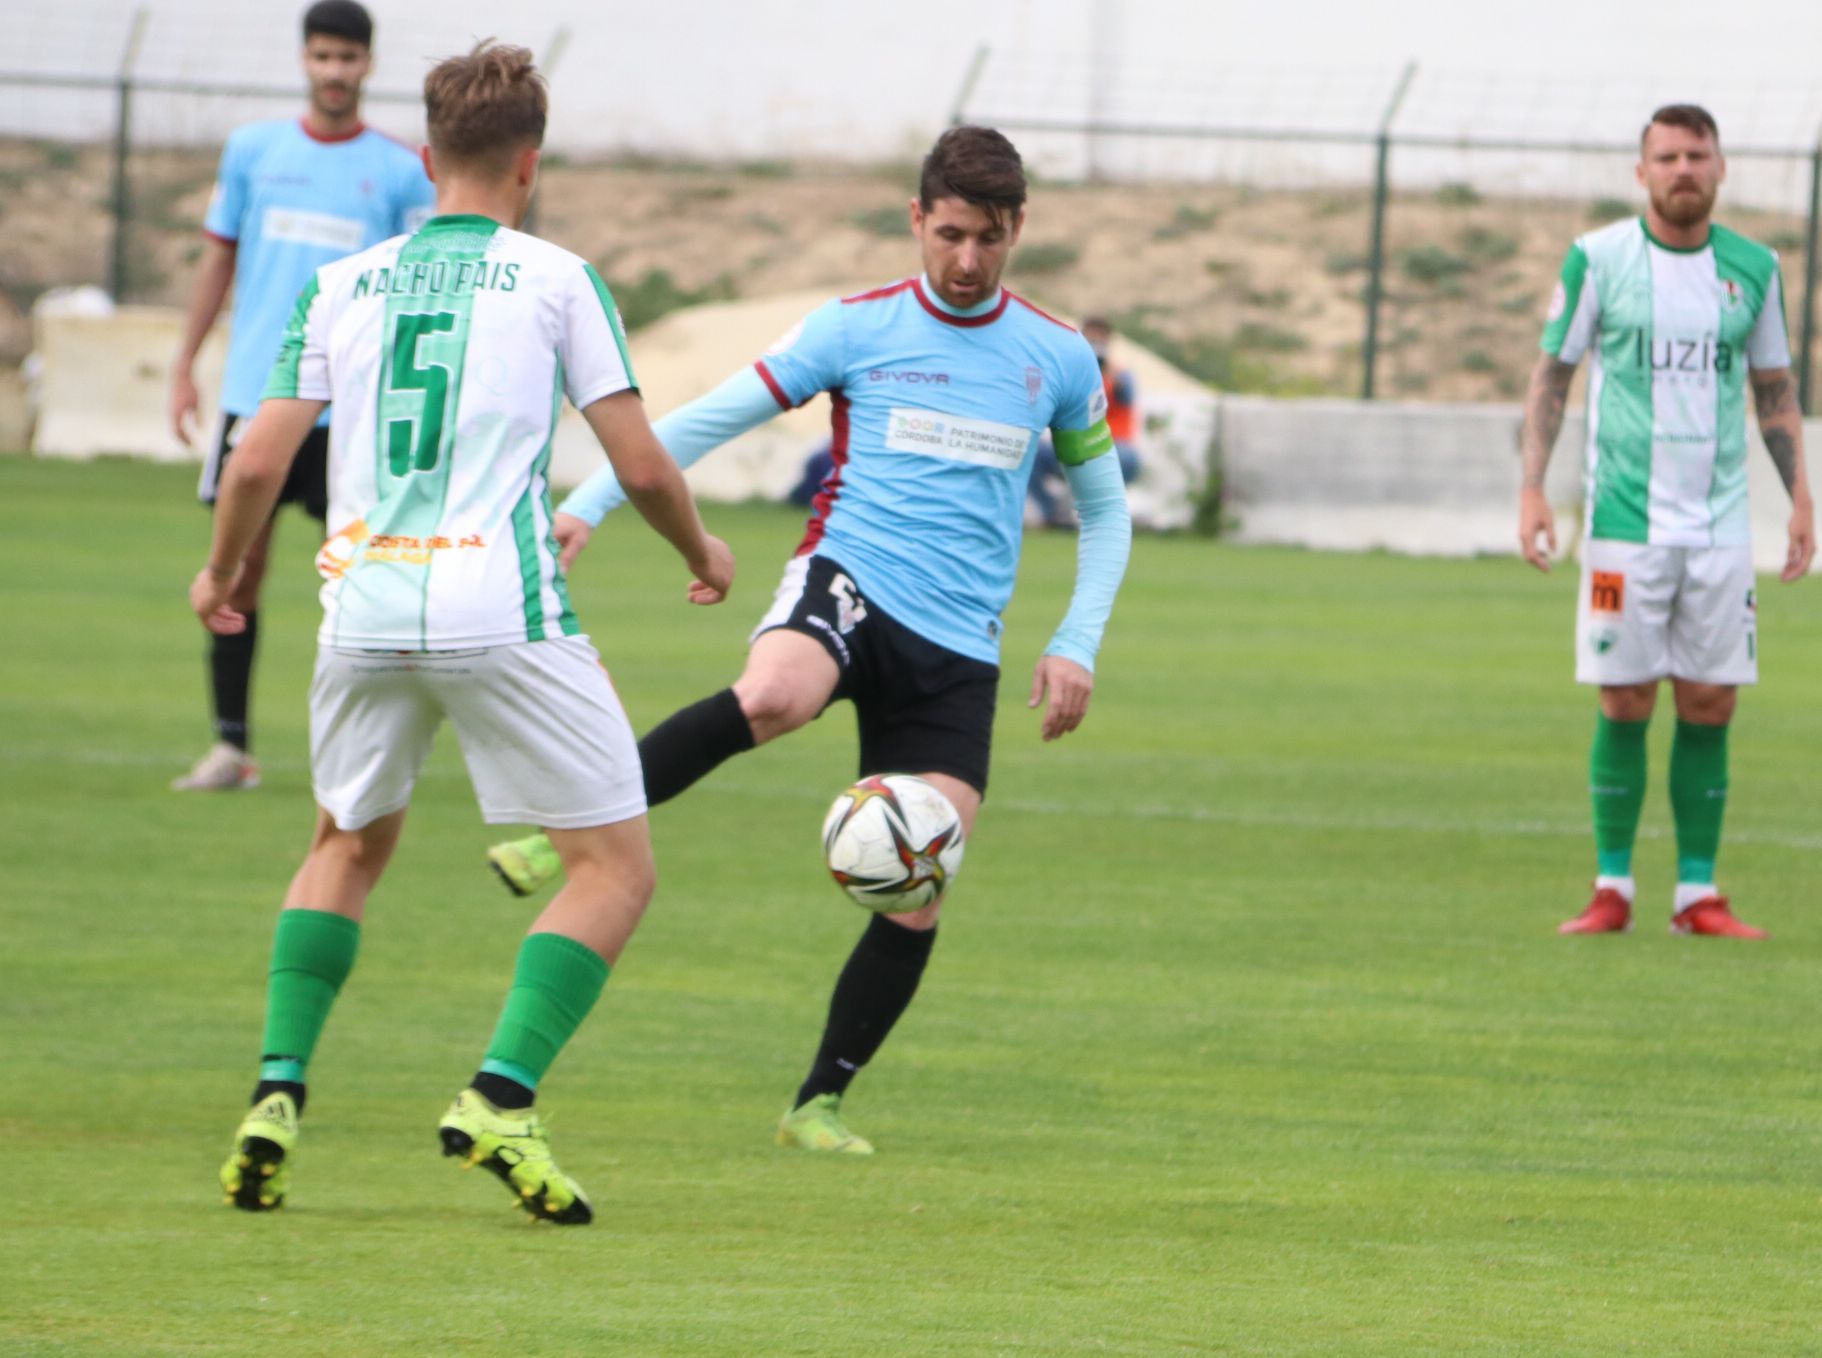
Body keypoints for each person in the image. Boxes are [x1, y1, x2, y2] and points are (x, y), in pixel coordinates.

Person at [486, 125, 1133, 1154]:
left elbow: (1107, 511)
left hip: (959, 641)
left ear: (1020, 230)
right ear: (916, 219)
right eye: (951, 233)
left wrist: (1076, 640)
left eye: (992, 238)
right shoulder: (855, 327)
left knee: (921, 880)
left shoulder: (1056, 357)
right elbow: (708, 418)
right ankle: (558, 828)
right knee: (775, 693)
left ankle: (817, 1101)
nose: (967, 261)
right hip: (851, 577)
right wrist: (593, 501)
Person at [191, 41, 734, 1223]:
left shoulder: (343, 285)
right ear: (528, 167)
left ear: (426, 157)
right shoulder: (555, 278)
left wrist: (224, 571)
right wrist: (702, 553)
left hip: (364, 604)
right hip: (501, 604)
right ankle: (501, 1092)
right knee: (613, 866)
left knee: (343, 843)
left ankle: (277, 1088)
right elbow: (638, 461)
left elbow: (259, 458)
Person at [1518, 103, 1813, 939]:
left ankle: (1696, 895)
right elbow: (1552, 376)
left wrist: (1801, 499)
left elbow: (1775, 391)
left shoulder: (1754, 269)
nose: (1683, 169)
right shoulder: (1598, 261)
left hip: (1718, 526)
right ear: (1640, 172)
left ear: (1721, 169)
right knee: (1624, 699)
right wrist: (1532, 489)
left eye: (1697, 155)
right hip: (1622, 521)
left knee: (1712, 700)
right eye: (1668, 157)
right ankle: (1612, 888)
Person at [169, 0, 435, 792]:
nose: (334, 73)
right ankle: (230, 747)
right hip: (257, 397)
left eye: (348, 59)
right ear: (305, 61)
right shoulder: (253, 151)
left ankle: (365, 754)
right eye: (322, 57)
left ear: (368, 65)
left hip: (351, 411)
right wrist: (185, 362)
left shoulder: (395, 169)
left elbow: (412, 293)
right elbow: (218, 262)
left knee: (366, 578)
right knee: (238, 572)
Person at [1027, 315, 1140, 527]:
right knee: (1030, 451)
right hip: (1073, 441)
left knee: (1125, 457)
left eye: (1100, 340)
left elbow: (1126, 395)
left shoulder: (1120, 374)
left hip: (1113, 445)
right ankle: (1053, 511)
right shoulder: (1069, 373)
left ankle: (1102, 512)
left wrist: (1108, 373)